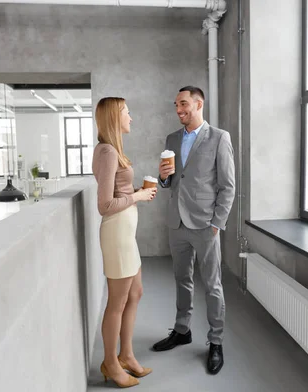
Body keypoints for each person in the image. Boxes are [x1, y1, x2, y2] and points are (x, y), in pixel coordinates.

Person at [152, 86, 235, 375]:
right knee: (181, 279)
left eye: (184, 104)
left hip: (205, 226)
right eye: (176, 105)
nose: (179, 110)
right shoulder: (172, 138)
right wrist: (164, 179)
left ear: (198, 104)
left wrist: (216, 225)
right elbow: (171, 182)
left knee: (212, 285)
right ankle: (182, 330)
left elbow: (227, 187)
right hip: (177, 222)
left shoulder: (219, 138)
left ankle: (215, 341)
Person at [93, 97, 157, 388]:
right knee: (117, 302)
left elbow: (118, 192)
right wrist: (138, 197)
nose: (131, 117)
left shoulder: (114, 150)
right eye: (127, 113)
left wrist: (137, 191)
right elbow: (105, 205)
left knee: (135, 293)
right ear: (114, 117)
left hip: (125, 233)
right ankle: (109, 362)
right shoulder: (107, 152)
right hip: (116, 233)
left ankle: (127, 356)